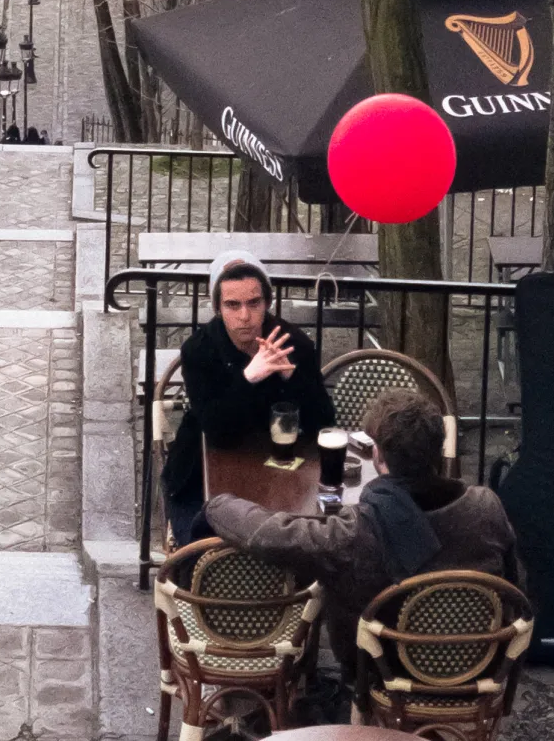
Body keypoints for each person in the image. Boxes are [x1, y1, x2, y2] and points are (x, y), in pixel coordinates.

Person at [205, 389, 519, 697]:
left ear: (378, 455)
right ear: (439, 450)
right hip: (478, 668)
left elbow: (271, 534)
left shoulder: (357, 530)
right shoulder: (486, 507)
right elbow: (513, 587)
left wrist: (216, 504)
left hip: (383, 675)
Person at [162, 251, 336, 542]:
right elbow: (218, 432)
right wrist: (249, 377)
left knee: (304, 542)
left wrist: (292, 378)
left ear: (267, 303)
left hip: (279, 473)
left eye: (254, 303)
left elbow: (324, 424)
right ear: (217, 308)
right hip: (202, 472)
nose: (244, 316)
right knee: (206, 547)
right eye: (233, 305)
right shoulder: (199, 350)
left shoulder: (293, 344)